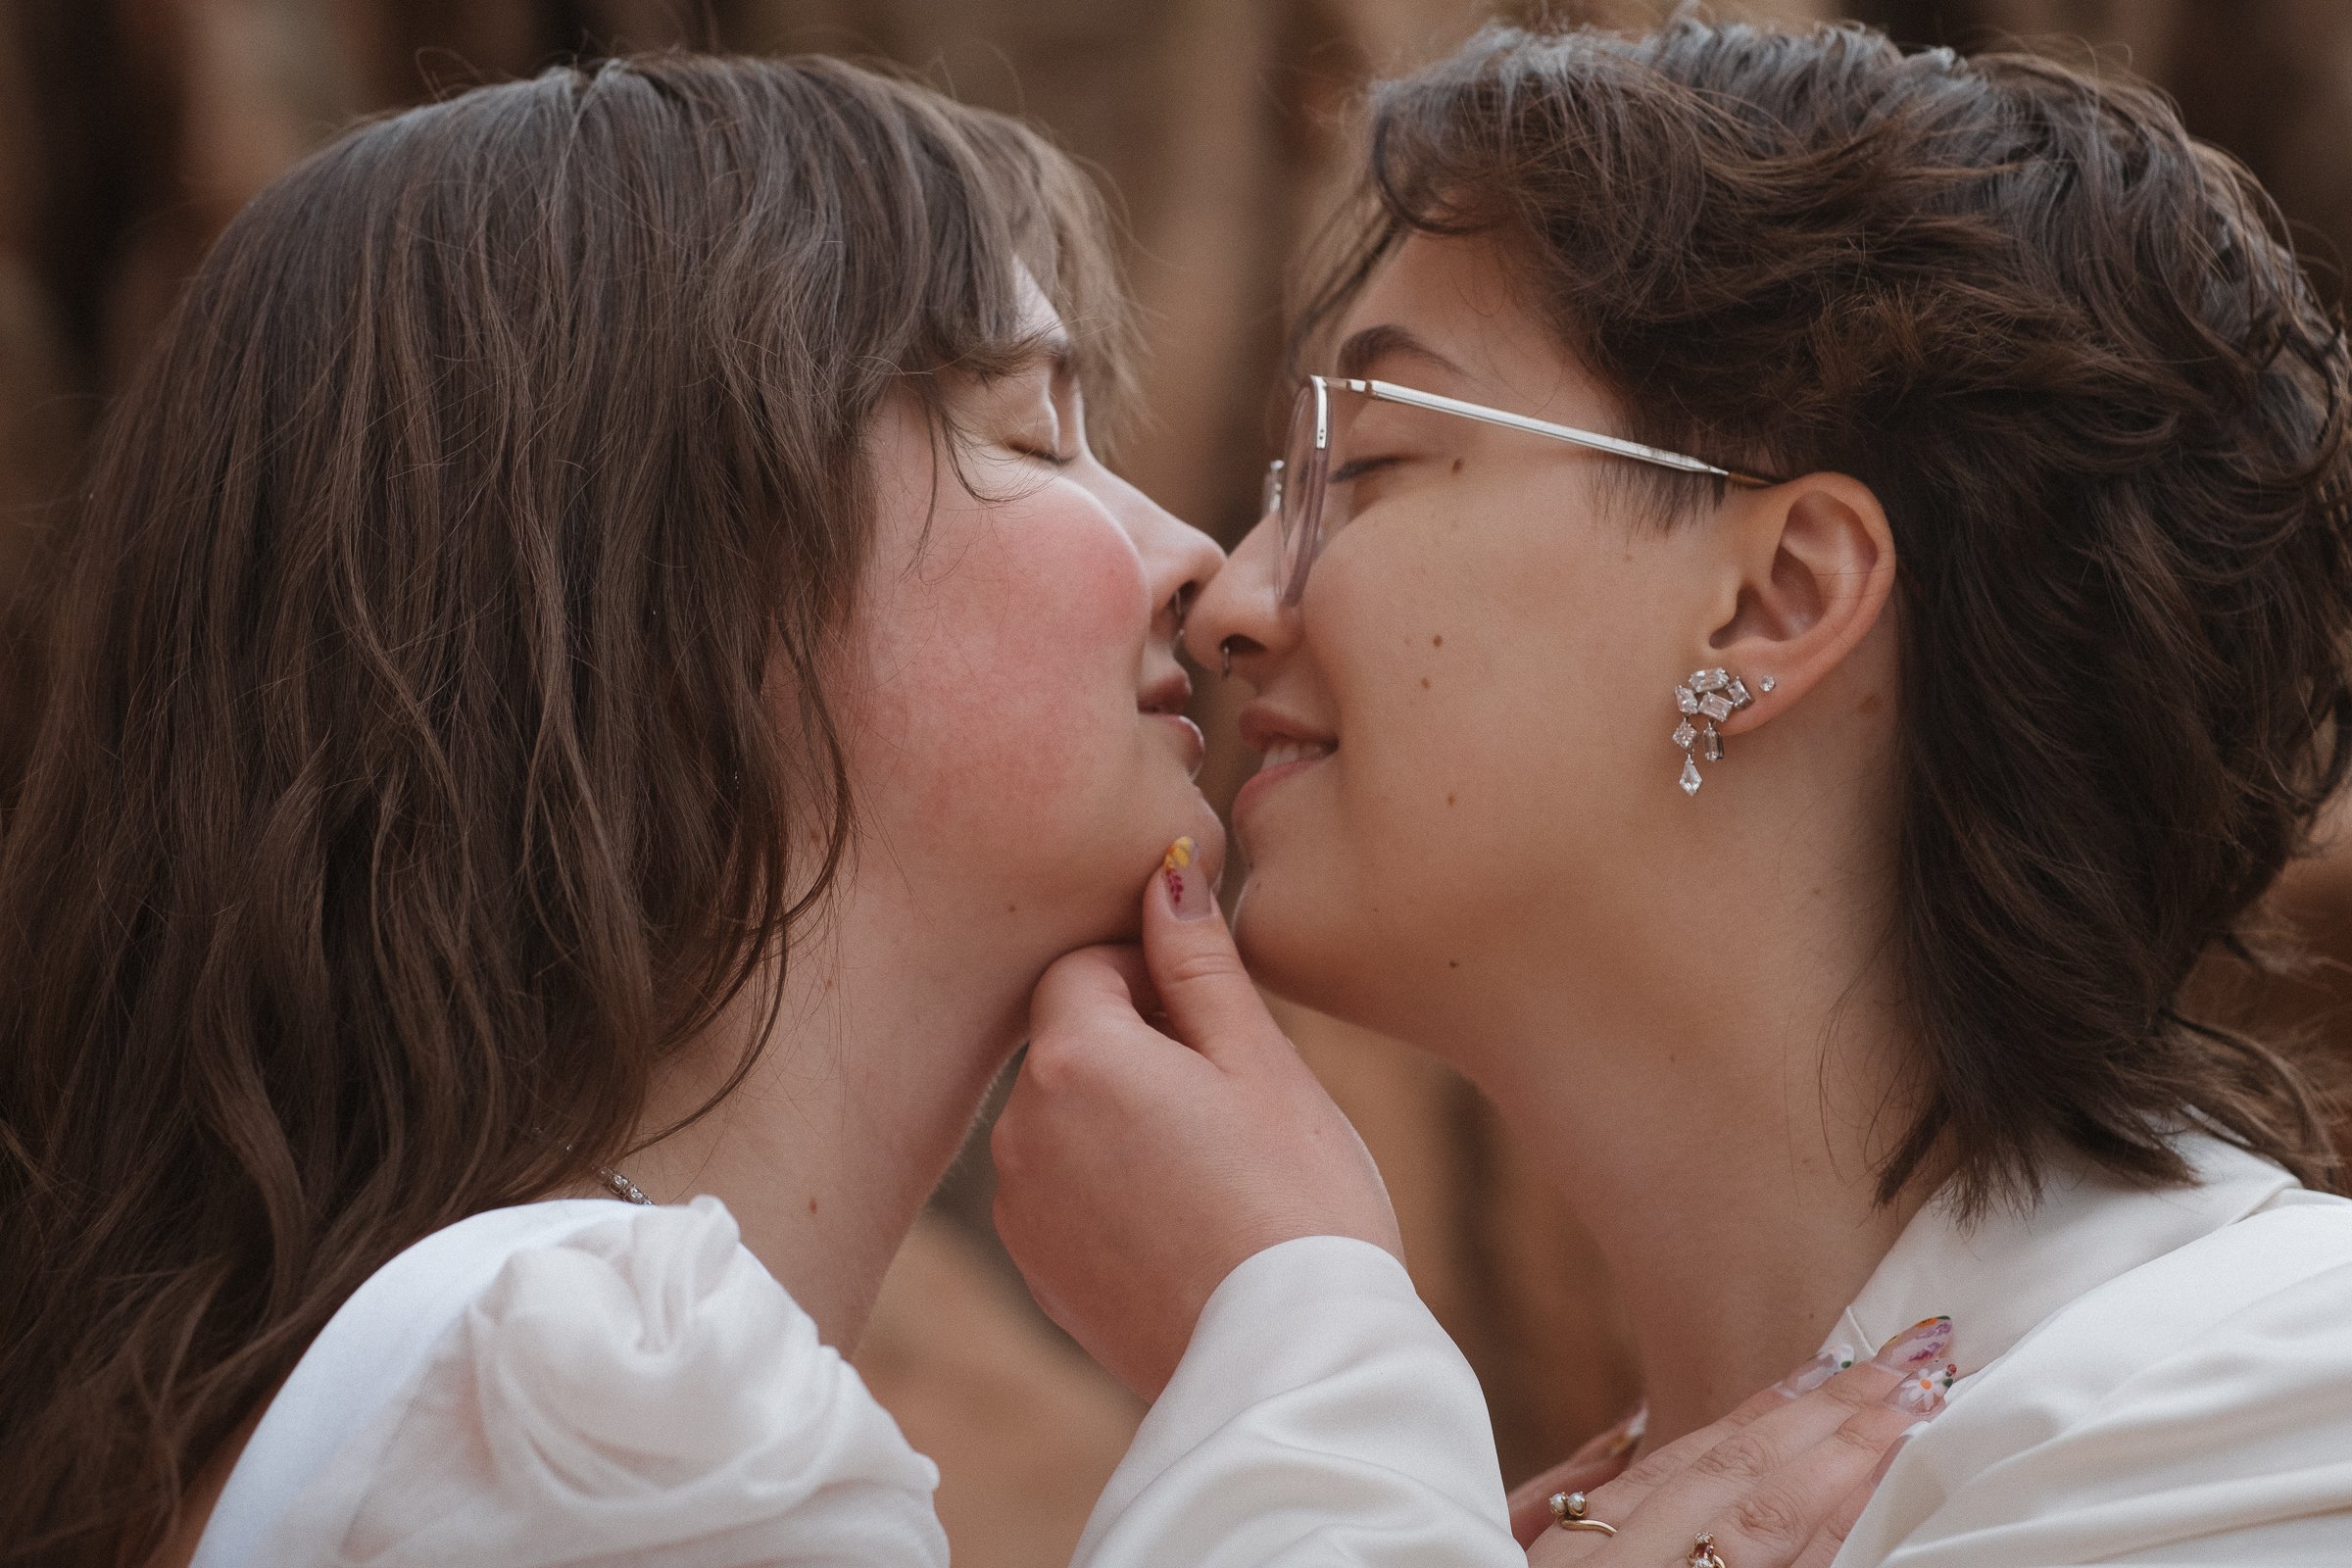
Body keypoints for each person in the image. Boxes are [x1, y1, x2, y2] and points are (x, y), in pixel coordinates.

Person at [0, 49, 1908, 1568]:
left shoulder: (516, 1396)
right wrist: (1304, 1323)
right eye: (1026, 434)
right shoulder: (572, 1388)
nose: (1200, 567)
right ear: (684, 579)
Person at [995, 17, 2352, 1567]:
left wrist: (1283, 1337)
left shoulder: (2277, 1398)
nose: (1233, 600)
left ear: (1776, 597)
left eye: (1363, 463)